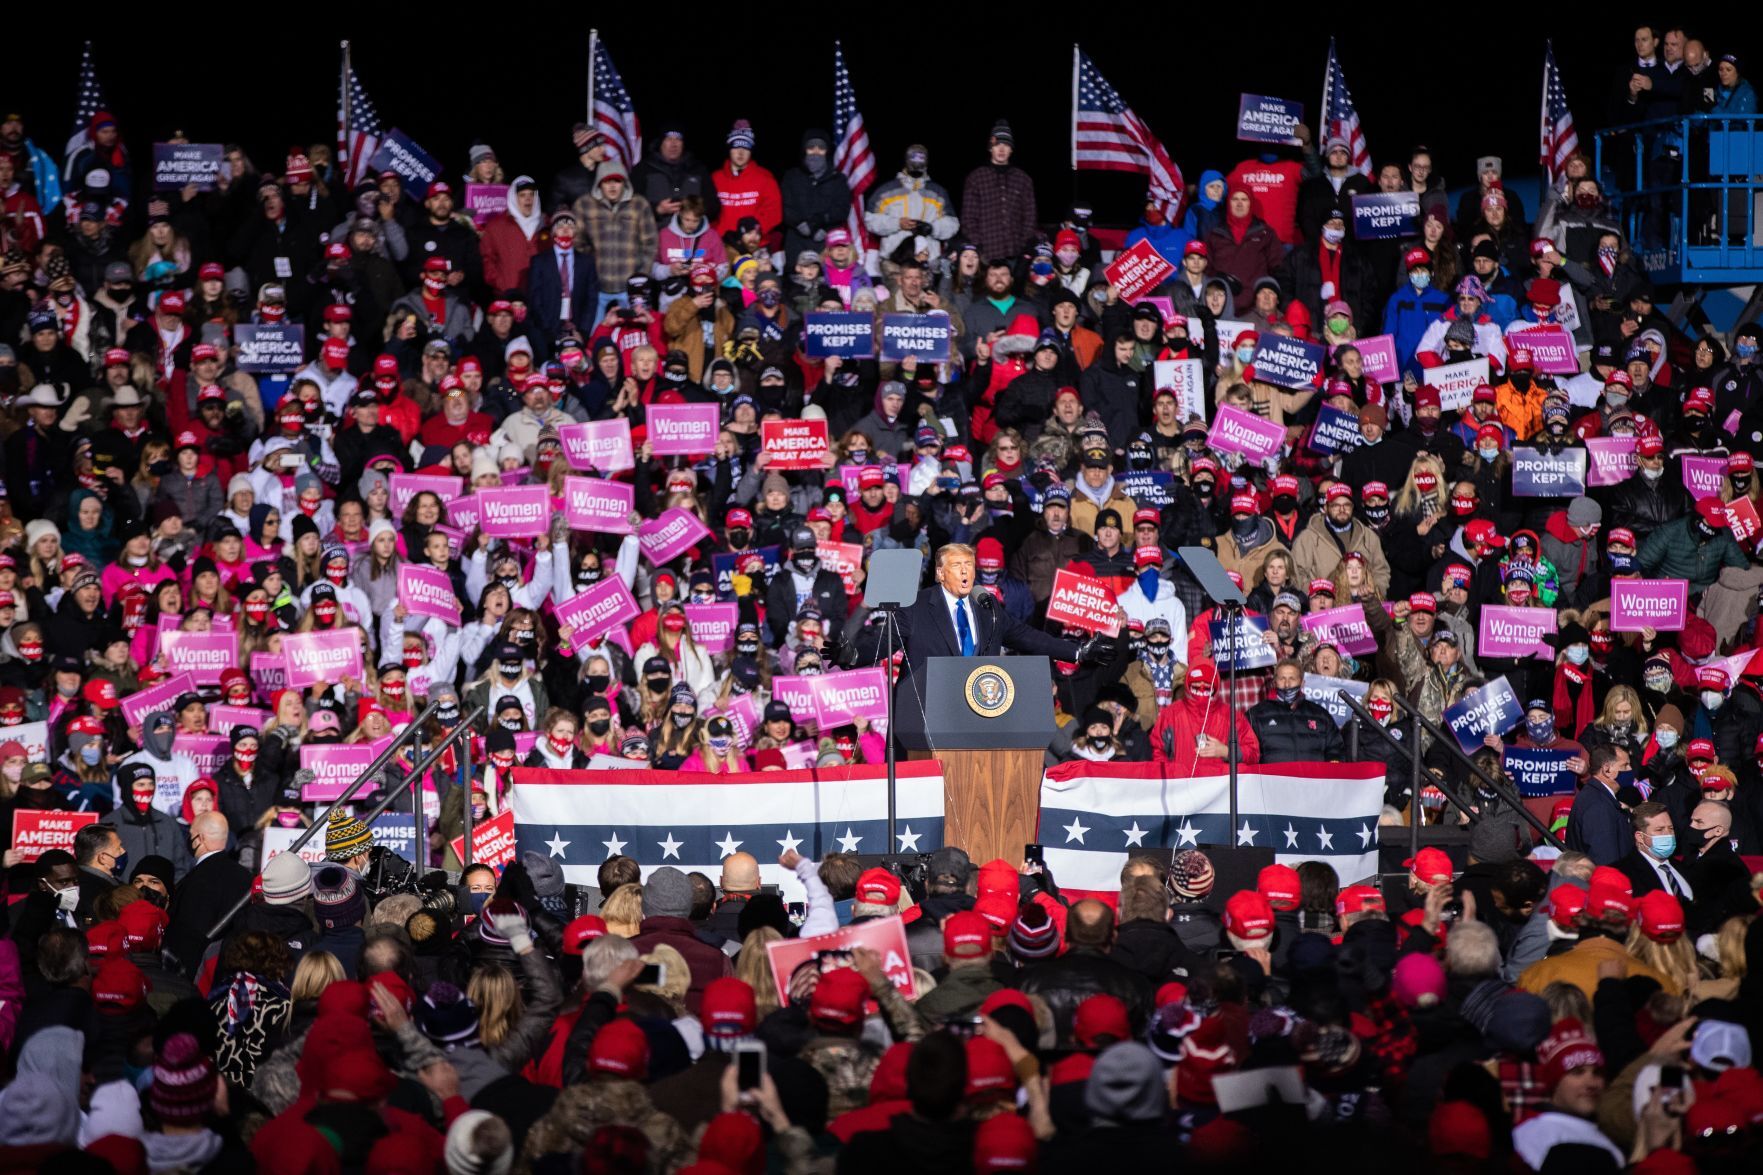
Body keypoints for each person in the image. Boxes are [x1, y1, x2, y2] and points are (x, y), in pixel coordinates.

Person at [874, 543, 1112, 684]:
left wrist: (1077, 651)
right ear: (940, 573)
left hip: (976, 714)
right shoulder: (916, 607)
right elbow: (880, 644)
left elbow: (1028, 637)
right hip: (925, 717)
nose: (965, 572)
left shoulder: (986, 608)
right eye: (957, 566)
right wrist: (851, 656)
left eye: (969, 565)